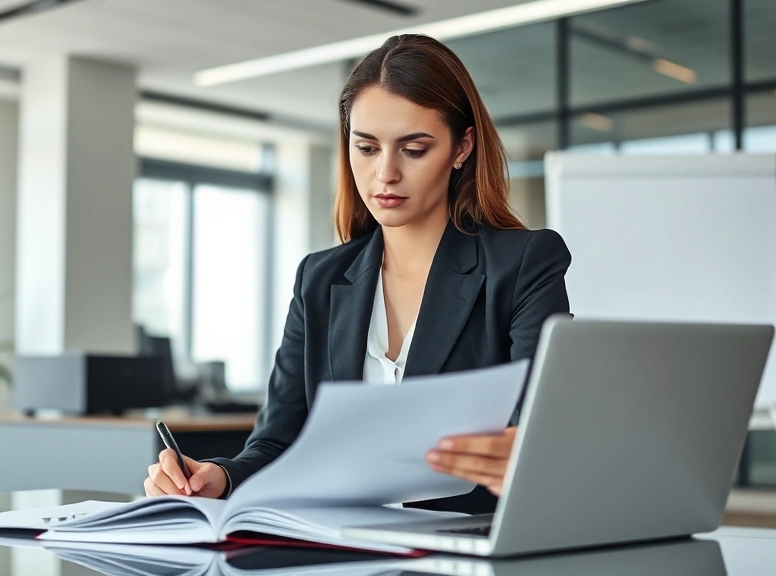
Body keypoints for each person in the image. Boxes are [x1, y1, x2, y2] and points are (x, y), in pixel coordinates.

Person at [145, 33, 571, 515]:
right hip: (341, 548)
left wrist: (523, 450)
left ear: (462, 147)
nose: (384, 173)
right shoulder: (320, 279)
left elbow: (544, 435)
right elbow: (278, 444)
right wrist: (218, 477)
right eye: (366, 148)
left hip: (468, 548)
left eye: (413, 150)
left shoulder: (522, 264)